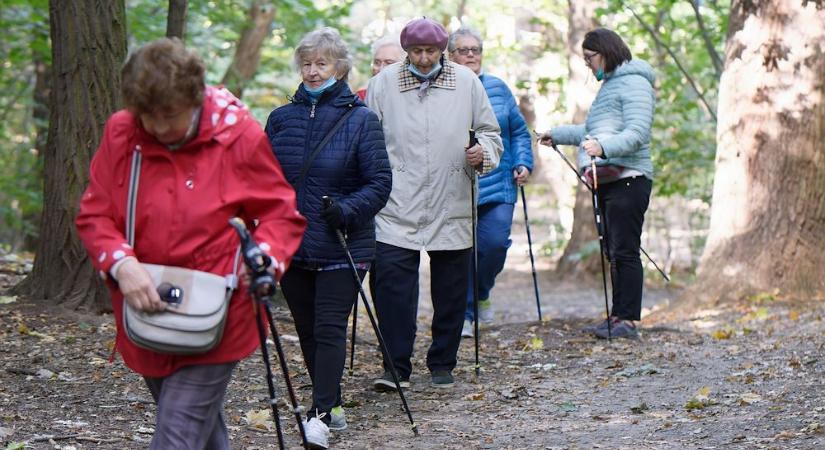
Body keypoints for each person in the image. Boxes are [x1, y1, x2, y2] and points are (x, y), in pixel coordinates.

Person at [75, 38, 306, 450]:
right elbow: (96, 215)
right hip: (147, 306)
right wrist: (121, 264)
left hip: (219, 311)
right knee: (197, 428)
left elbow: (279, 214)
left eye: (169, 115)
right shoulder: (123, 132)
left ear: (195, 98)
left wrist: (264, 261)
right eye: (148, 116)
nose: (159, 128)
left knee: (178, 433)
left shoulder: (237, 136)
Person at [265, 27, 391, 449]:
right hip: (293, 243)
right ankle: (331, 400)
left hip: (343, 242)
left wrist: (347, 209)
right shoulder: (281, 119)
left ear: (339, 67)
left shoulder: (361, 119)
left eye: (321, 63)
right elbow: (264, 180)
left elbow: (379, 183)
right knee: (305, 328)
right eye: (306, 63)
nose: (313, 71)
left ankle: (318, 416)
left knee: (330, 326)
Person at [365, 17, 502, 390]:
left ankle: (443, 362)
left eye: (430, 52)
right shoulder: (383, 84)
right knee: (392, 287)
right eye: (416, 52)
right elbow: (368, 138)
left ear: (443, 50)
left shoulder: (467, 82)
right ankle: (395, 367)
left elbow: (491, 133)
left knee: (451, 289)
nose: (424, 59)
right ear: (406, 50)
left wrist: (482, 154)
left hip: (451, 195)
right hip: (396, 201)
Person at [539, 28, 655, 340]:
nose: (588, 65)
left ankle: (628, 321)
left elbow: (638, 132)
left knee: (625, 251)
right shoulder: (611, 85)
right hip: (609, 180)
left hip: (629, 178)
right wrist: (558, 135)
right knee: (613, 249)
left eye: (590, 58)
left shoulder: (634, 83)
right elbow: (592, 131)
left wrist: (604, 147)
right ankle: (617, 315)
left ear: (606, 51)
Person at [448, 28, 534, 337]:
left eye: (475, 49)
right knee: (460, 254)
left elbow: (520, 132)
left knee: (493, 246)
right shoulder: (445, 90)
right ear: (450, 55)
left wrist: (524, 162)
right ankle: (467, 314)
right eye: (463, 50)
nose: (471, 54)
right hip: (456, 187)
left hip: (498, 185)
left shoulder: (498, 88)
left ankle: (481, 292)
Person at [355, 34, 405, 100]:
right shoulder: (361, 97)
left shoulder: (413, 96)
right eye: (377, 62)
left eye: (389, 63)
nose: (381, 69)